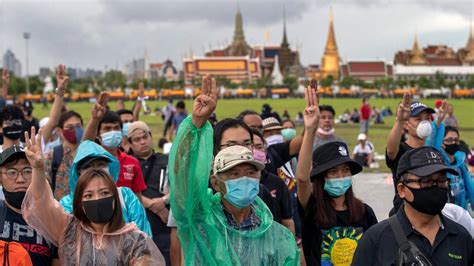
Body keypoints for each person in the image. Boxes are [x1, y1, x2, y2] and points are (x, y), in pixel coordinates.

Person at [169, 74, 299, 264]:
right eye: (233, 174)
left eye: (250, 172)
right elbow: (181, 174)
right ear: (215, 181)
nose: (244, 179)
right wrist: (195, 124)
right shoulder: (200, 215)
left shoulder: (276, 235)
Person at [21, 128, 165, 265]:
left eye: (104, 193)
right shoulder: (69, 230)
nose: (97, 199)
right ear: (78, 201)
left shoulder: (134, 240)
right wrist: (38, 169)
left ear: (115, 197)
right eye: (88, 195)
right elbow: (41, 204)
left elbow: (146, 256)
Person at [297, 86, 377, 265]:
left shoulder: (364, 212)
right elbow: (302, 179)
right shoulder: (312, 209)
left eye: (345, 170)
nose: (341, 176)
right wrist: (310, 129)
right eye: (333, 172)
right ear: (321, 178)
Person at [352, 146, 472, 265]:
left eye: (441, 181)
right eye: (425, 181)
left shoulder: (461, 237)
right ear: (402, 189)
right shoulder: (375, 240)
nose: (435, 187)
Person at [58, 140, 152, 236]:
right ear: (78, 172)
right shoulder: (67, 204)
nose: (96, 170)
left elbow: (144, 237)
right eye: (88, 167)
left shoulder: (125, 196)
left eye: (101, 165)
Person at [386, 93, 446, 214]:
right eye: (418, 119)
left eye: (427, 118)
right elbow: (391, 150)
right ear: (407, 125)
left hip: (430, 213)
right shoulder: (401, 150)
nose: (424, 123)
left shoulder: (431, 152)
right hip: (404, 215)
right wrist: (399, 121)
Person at [0, 145, 59, 265]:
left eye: (27, 171)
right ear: (0, 177)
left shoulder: (51, 221)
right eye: (12, 172)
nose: (20, 179)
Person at [83, 94, 147, 201]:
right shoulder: (90, 160)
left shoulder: (132, 162)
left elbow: (138, 199)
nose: (112, 132)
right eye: (107, 129)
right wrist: (95, 119)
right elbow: (85, 143)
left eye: (116, 128)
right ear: (98, 134)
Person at [127, 121, 171, 264]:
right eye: (137, 140)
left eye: (145, 137)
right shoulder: (127, 164)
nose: (143, 142)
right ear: (130, 144)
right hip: (138, 230)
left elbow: (180, 187)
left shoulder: (167, 160)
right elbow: (126, 192)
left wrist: (164, 201)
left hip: (166, 228)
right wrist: (154, 205)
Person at [44, 111, 83, 200]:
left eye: (78, 126)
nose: (75, 130)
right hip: (61, 211)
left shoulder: (88, 154)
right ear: (60, 131)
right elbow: (45, 190)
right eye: (70, 127)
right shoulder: (51, 156)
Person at [435, 126, 474, 211]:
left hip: (462, 212)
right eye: (449, 140)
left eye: (456, 140)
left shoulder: (461, 164)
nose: (453, 142)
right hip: (446, 213)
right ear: (441, 143)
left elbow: (470, 187)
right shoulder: (439, 164)